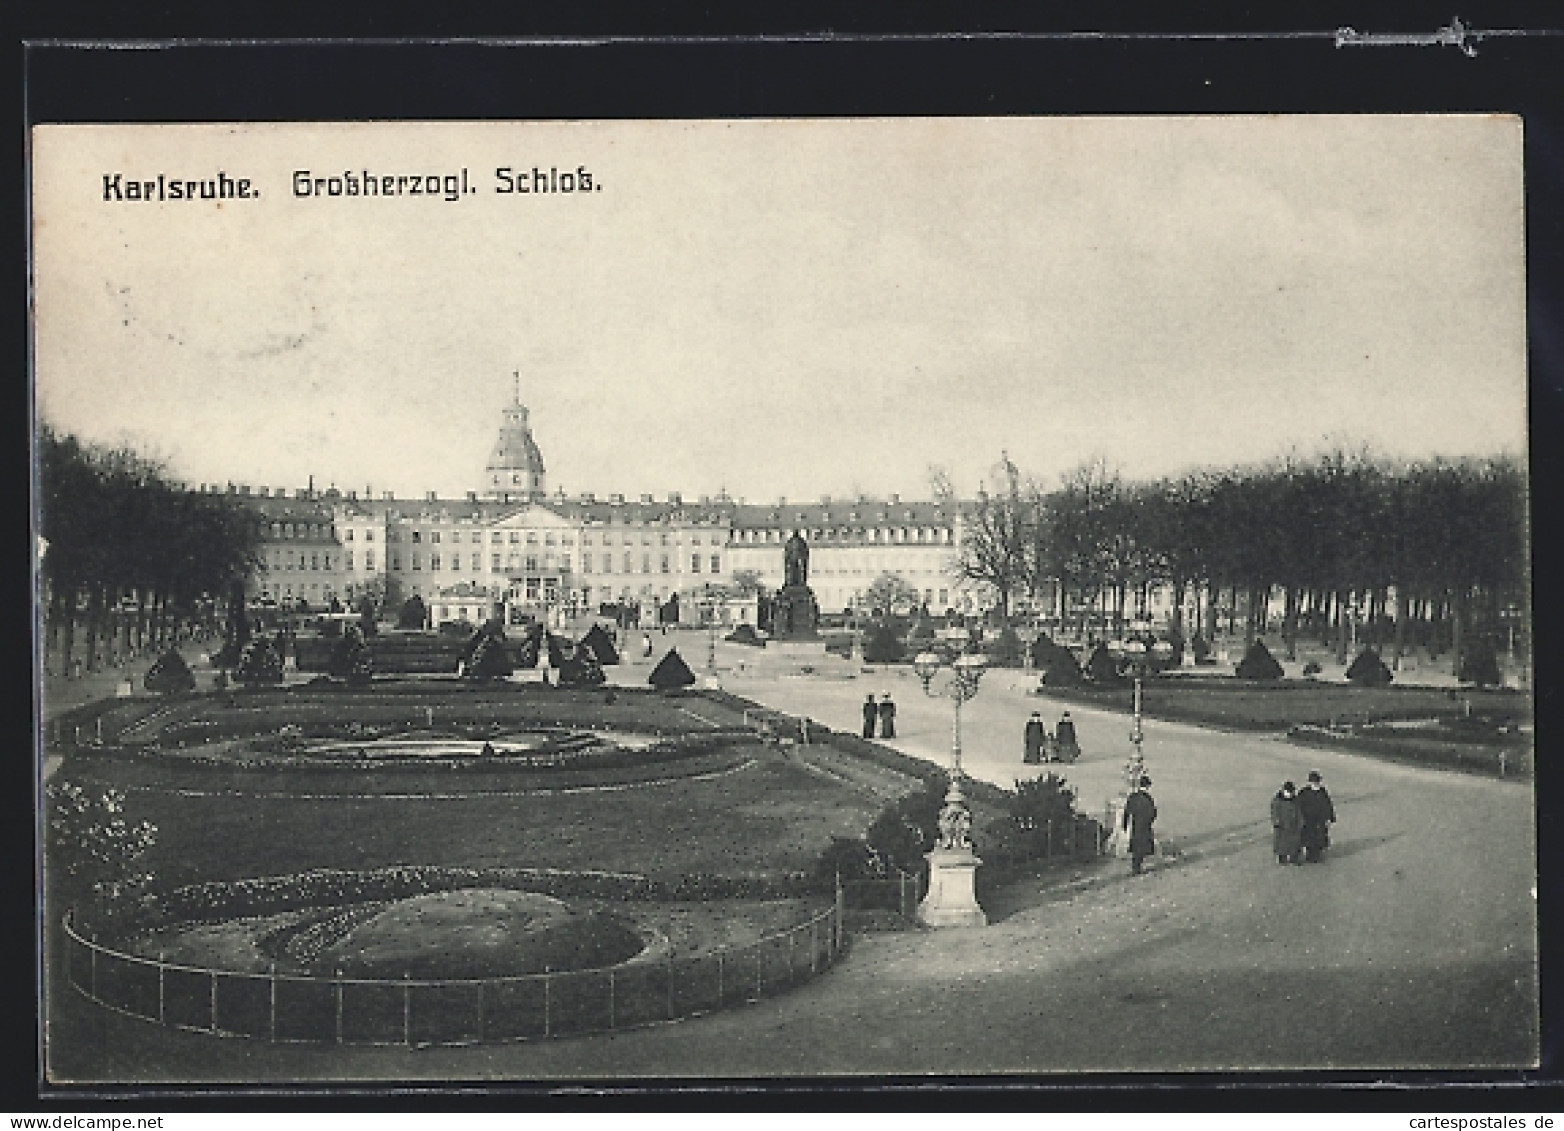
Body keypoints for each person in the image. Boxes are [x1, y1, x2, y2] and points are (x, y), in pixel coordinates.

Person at [1296, 770, 1336, 863]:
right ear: (1310, 782)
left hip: (1320, 820)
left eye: (1316, 782)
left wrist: (1330, 818)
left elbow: (1328, 805)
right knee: (1309, 838)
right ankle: (1310, 855)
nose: (1315, 784)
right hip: (1308, 819)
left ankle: (1317, 854)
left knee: (1319, 837)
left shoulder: (1323, 792)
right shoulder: (1304, 792)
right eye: (1313, 782)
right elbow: (1298, 804)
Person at [1122, 776, 1157, 875]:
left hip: (1135, 825)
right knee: (1142, 848)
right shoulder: (1148, 798)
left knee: (1136, 847)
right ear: (1147, 786)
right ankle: (1137, 867)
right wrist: (1150, 821)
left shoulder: (1133, 797)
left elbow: (1126, 812)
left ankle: (1135, 867)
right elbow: (1153, 813)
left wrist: (1124, 825)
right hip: (1145, 826)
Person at [1270, 780, 1304, 865]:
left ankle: (1294, 858)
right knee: (1282, 843)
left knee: (1295, 843)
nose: (1290, 794)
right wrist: (1276, 821)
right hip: (1282, 825)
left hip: (1294, 825)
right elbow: (1274, 812)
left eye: (1291, 792)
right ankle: (1282, 857)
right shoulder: (1278, 801)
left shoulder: (1296, 801)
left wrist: (1301, 822)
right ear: (1283, 791)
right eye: (1288, 792)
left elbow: (1299, 812)